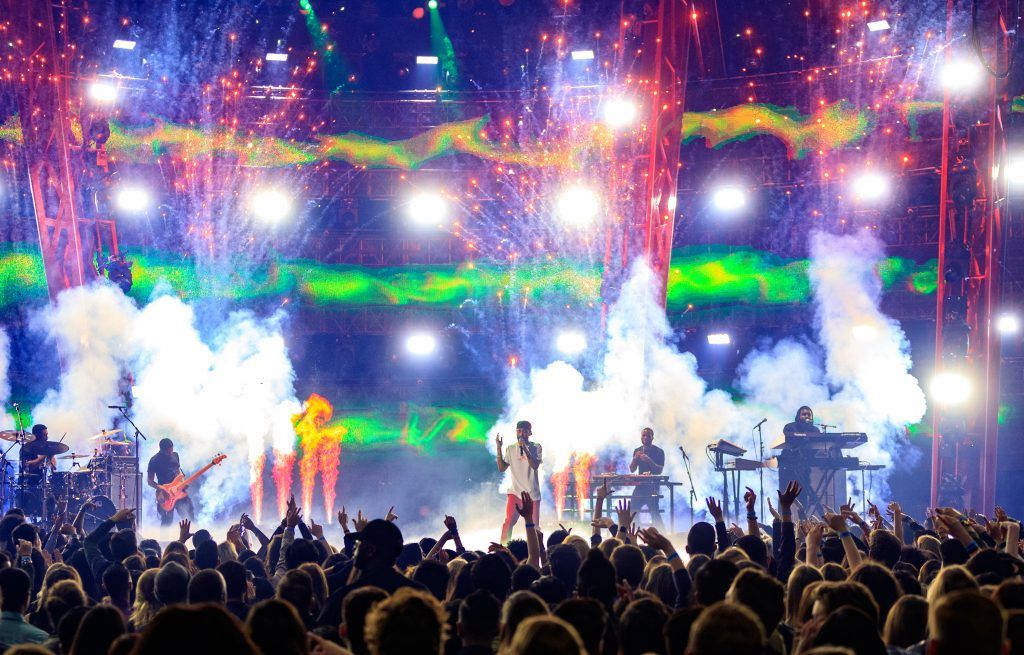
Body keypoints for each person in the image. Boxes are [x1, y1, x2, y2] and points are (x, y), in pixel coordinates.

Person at [496, 420, 543, 543]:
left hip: (532, 494)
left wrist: (525, 449)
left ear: (530, 432)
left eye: (524, 431)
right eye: (519, 430)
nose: (521, 433)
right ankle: (503, 550)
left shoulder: (536, 447)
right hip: (515, 492)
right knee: (508, 522)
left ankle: (535, 553)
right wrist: (498, 448)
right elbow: (501, 468)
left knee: (534, 527)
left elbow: (534, 466)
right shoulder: (510, 449)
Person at [147, 438, 194, 525]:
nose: (171, 453)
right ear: (161, 450)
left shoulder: (175, 455)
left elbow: (178, 472)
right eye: (168, 451)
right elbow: (150, 481)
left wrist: (183, 483)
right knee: (167, 522)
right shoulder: (154, 460)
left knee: (189, 516)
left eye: (172, 450)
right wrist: (161, 488)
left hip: (179, 492)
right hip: (165, 495)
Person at [628, 427, 665, 529]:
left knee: (654, 513)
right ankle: (636, 532)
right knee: (633, 510)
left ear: (652, 437)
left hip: (653, 486)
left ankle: (661, 534)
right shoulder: (637, 450)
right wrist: (635, 459)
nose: (645, 437)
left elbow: (659, 470)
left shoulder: (659, 451)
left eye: (648, 436)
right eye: (643, 435)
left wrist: (649, 460)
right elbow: (632, 469)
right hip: (640, 486)